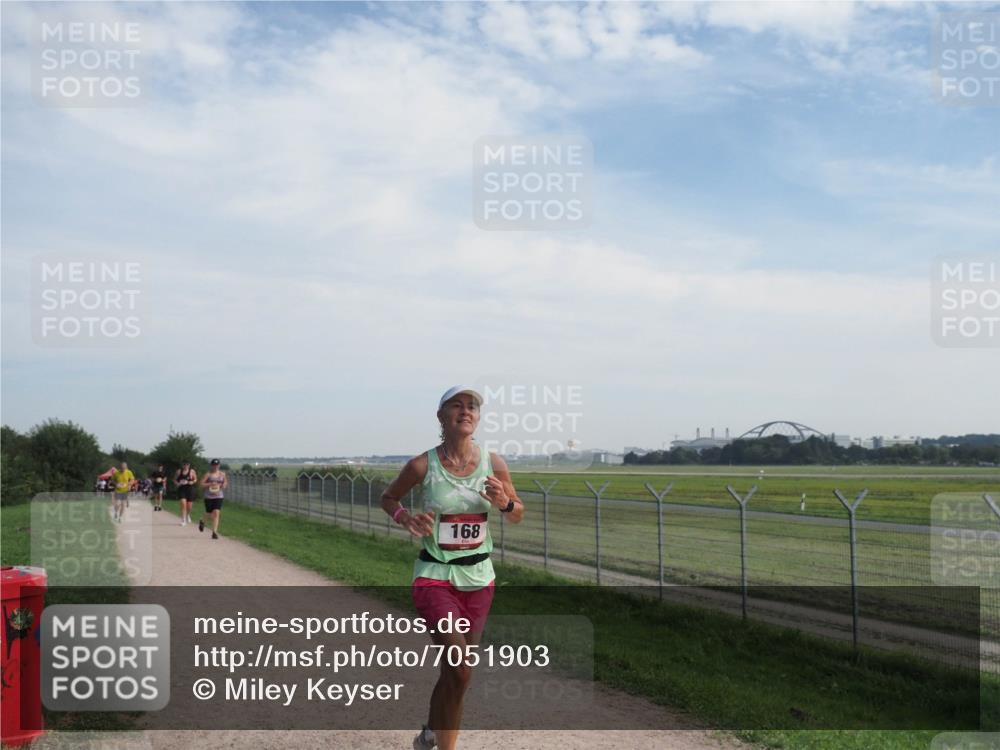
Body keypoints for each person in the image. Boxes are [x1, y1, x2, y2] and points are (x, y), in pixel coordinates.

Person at [380, 386, 523, 750]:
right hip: (435, 577)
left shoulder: (495, 464)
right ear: (441, 416)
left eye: (472, 406)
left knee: (457, 675)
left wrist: (506, 503)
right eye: (457, 405)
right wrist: (405, 518)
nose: (466, 411)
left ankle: (431, 733)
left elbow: (518, 514)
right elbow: (388, 497)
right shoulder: (421, 465)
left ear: (478, 417)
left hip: (479, 579)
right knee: (460, 668)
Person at [199, 459, 227, 540]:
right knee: (209, 513)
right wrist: (210, 484)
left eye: (217, 465)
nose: (215, 466)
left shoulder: (222, 474)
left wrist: (223, 485)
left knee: (216, 512)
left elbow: (225, 482)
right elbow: (201, 484)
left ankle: (214, 532)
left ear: (219, 465)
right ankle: (202, 521)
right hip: (209, 496)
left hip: (219, 496)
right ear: (211, 466)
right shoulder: (208, 474)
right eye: (214, 465)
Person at [175, 461, 197, 526]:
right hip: (182, 490)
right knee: (183, 504)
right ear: (182, 465)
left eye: (187, 464)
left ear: (189, 465)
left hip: (190, 490)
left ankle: (188, 514)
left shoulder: (192, 471)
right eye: (184, 464)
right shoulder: (179, 471)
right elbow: (175, 480)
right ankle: (183, 520)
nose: (186, 466)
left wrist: (192, 482)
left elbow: (195, 479)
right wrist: (178, 483)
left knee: (189, 506)